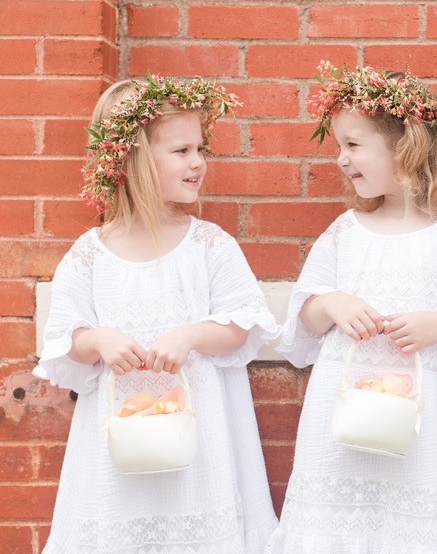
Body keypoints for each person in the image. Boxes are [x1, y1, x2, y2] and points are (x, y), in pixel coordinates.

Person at [264, 63, 437, 553]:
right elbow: (304, 318)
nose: (341, 159)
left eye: (354, 145)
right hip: (342, 423)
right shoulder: (344, 232)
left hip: (428, 425)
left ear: (405, 146)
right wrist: (332, 304)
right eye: (338, 145)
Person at [35, 74, 281, 553]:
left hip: (199, 434)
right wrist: (99, 339)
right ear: (133, 160)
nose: (198, 163)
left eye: (199, 148)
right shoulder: (91, 255)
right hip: (121, 440)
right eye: (181, 151)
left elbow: (241, 324)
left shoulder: (209, 246)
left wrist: (191, 335)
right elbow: (66, 338)